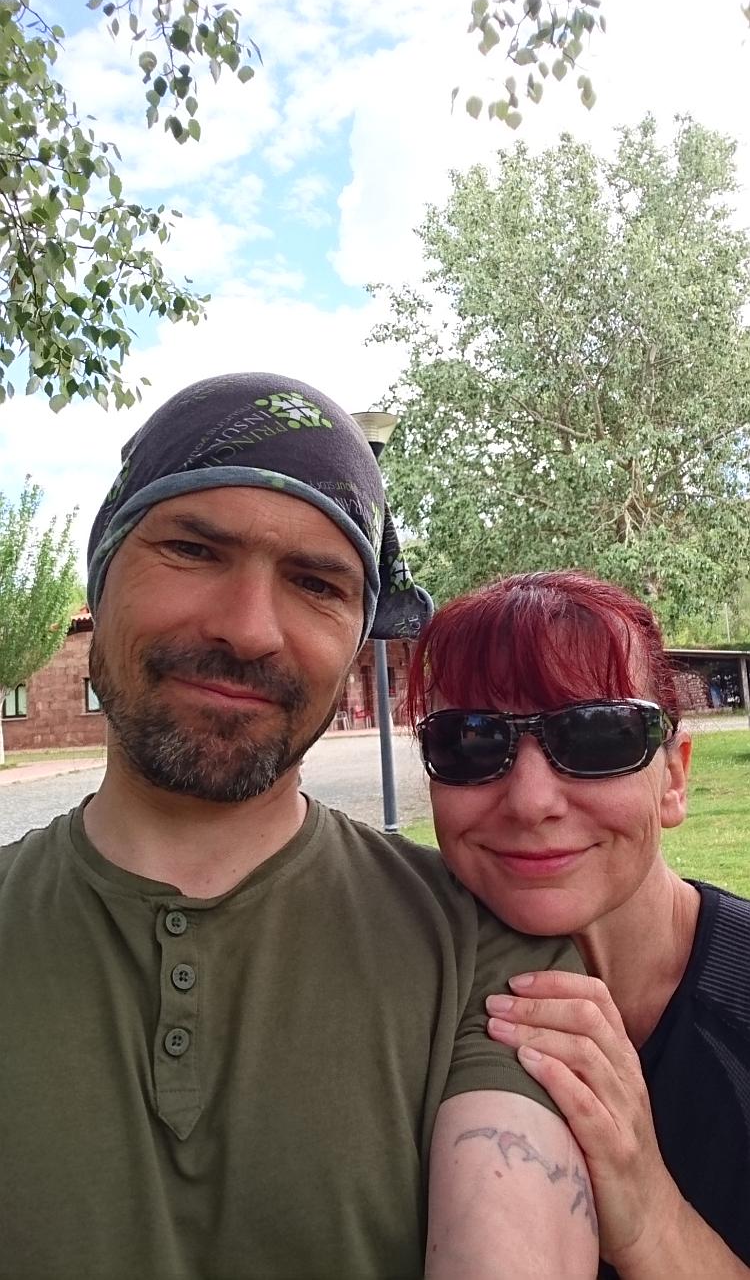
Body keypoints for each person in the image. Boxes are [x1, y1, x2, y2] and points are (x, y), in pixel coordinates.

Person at [0, 376, 598, 1280]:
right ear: (103, 576)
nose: (249, 630)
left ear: (359, 638)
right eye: (195, 549)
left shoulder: (488, 956)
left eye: (317, 582)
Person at [408, 569, 750, 1280]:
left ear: (674, 779)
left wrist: (654, 1217)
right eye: (471, 740)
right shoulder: (399, 995)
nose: (531, 800)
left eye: (598, 734)